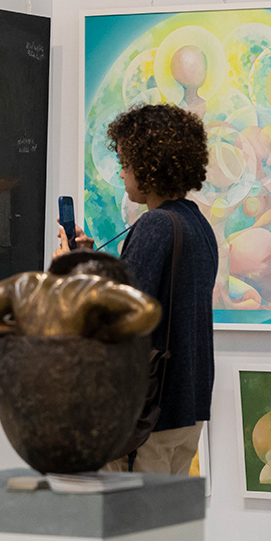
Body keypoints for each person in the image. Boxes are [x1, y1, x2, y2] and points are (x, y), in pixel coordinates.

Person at [56, 103, 219, 475]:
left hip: (148, 415)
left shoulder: (155, 226)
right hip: (187, 408)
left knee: (128, 529)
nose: (122, 172)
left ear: (148, 166)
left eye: (125, 163)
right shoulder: (196, 225)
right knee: (162, 528)